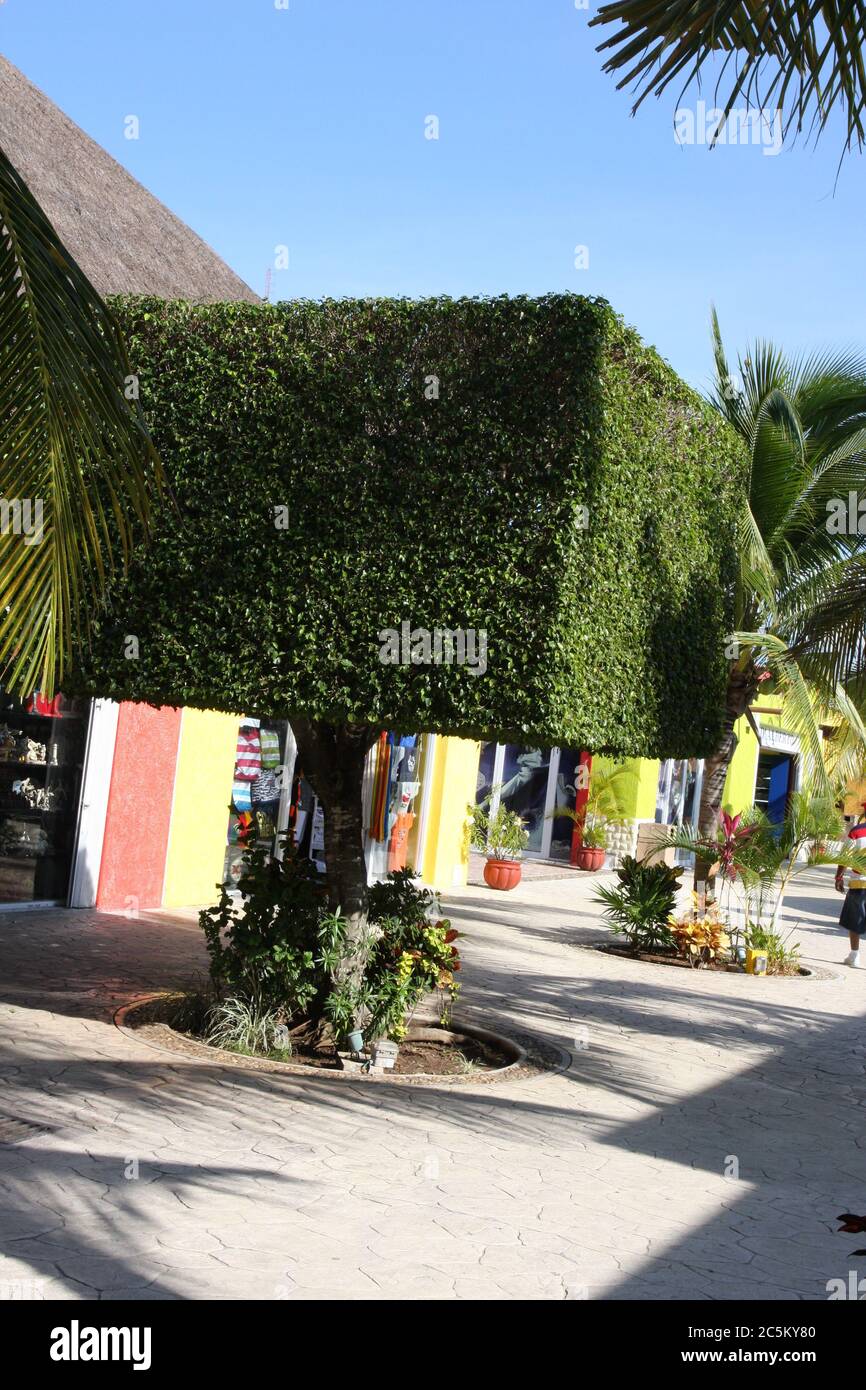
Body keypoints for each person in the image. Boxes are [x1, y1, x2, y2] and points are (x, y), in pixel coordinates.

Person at [834, 804, 866, 969]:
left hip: (859, 883)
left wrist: (839, 876)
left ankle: (854, 955)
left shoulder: (856, 832)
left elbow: (845, 856)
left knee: (855, 920)